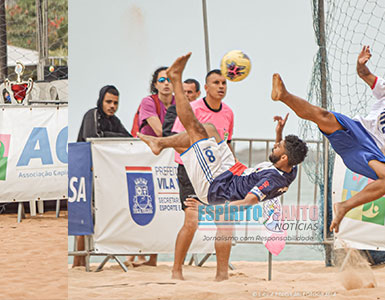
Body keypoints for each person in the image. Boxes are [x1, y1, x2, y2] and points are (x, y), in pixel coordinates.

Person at [138, 52, 307, 281]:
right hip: (232, 170)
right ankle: (220, 276)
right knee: (209, 129)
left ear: (284, 158)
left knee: (197, 131)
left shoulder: (272, 180)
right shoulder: (290, 167)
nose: (275, 146)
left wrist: (207, 208)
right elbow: (281, 157)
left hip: (217, 186)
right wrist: (279, 133)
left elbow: (248, 202)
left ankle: (176, 79)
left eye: (279, 147)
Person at [270, 45, 385, 233]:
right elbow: (365, 74)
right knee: (324, 116)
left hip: (370, 152)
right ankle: (284, 96)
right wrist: (361, 64)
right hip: (357, 129)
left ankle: (344, 206)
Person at [167, 70, 236, 280]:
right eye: (216, 82)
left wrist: (233, 172)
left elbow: (227, 145)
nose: (221, 86)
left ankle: (222, 274)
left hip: (217, 175)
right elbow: (176, 140)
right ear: (205, 88)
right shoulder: (194, 109)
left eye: (224, 82)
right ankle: (176, 270)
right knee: (191, 222)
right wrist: (194, 160)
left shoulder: (228, 112)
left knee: (225, 224)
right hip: (191, 171)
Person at [73, 85, 131, 268]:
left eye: (115, 103)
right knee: (84, 219)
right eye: (108, 102)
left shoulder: (115, 121)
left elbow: (128, 137)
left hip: (105, 176)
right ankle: (77, 262)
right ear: (100, 100)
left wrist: (113, 136)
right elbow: (93, 136)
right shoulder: (92, 114)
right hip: (85, 173)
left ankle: (93, 257)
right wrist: (115, 137)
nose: (112, 106)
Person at [134, 67, 175, 137]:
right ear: (155, 85)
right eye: (161, 80)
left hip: (174, 144)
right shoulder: (148, 102)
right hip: (147, 146)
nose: (166, 83)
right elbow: (160, 132)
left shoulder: (180, 103)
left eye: (170, 80)